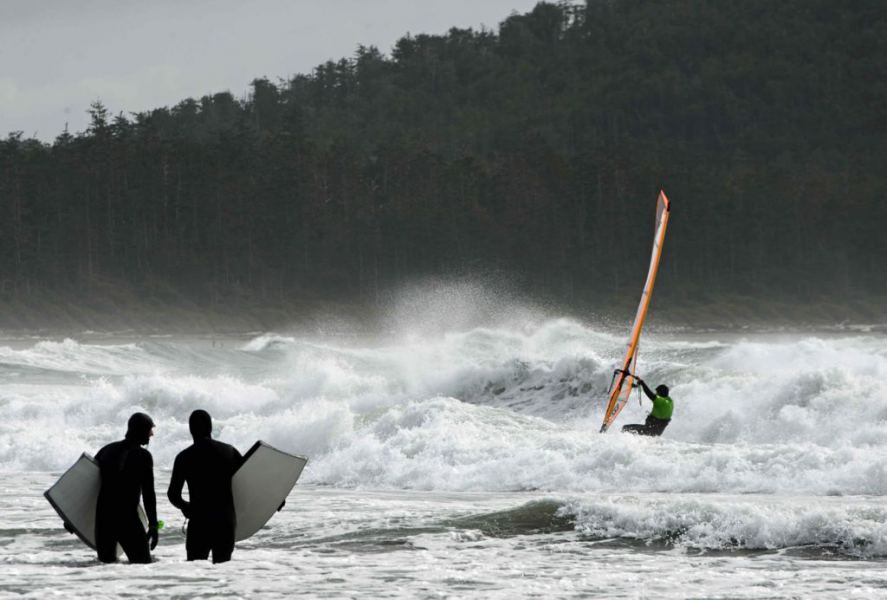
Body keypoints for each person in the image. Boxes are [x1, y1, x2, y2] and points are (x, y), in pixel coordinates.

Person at [167, 410, 243, 563]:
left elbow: (173, 495)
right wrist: (274, 498)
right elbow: (251, 480)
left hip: (199, 521)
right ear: (210, 428)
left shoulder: (184, 457)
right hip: (225, 522)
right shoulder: (230, 451)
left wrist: (185, 507)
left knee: (196, 574)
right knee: (223, 571)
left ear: (190, 430)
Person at [94, 412, 159, 563]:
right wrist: (154, 525)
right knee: (143, 564)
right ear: (141, 430)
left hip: (104, 518)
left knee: (105, 568)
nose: (152, 434)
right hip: (127, 518)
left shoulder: (106, 450)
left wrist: (71, 517)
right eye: (149, 430)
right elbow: (149, 494)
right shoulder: (143, 456)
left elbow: (88, 484)